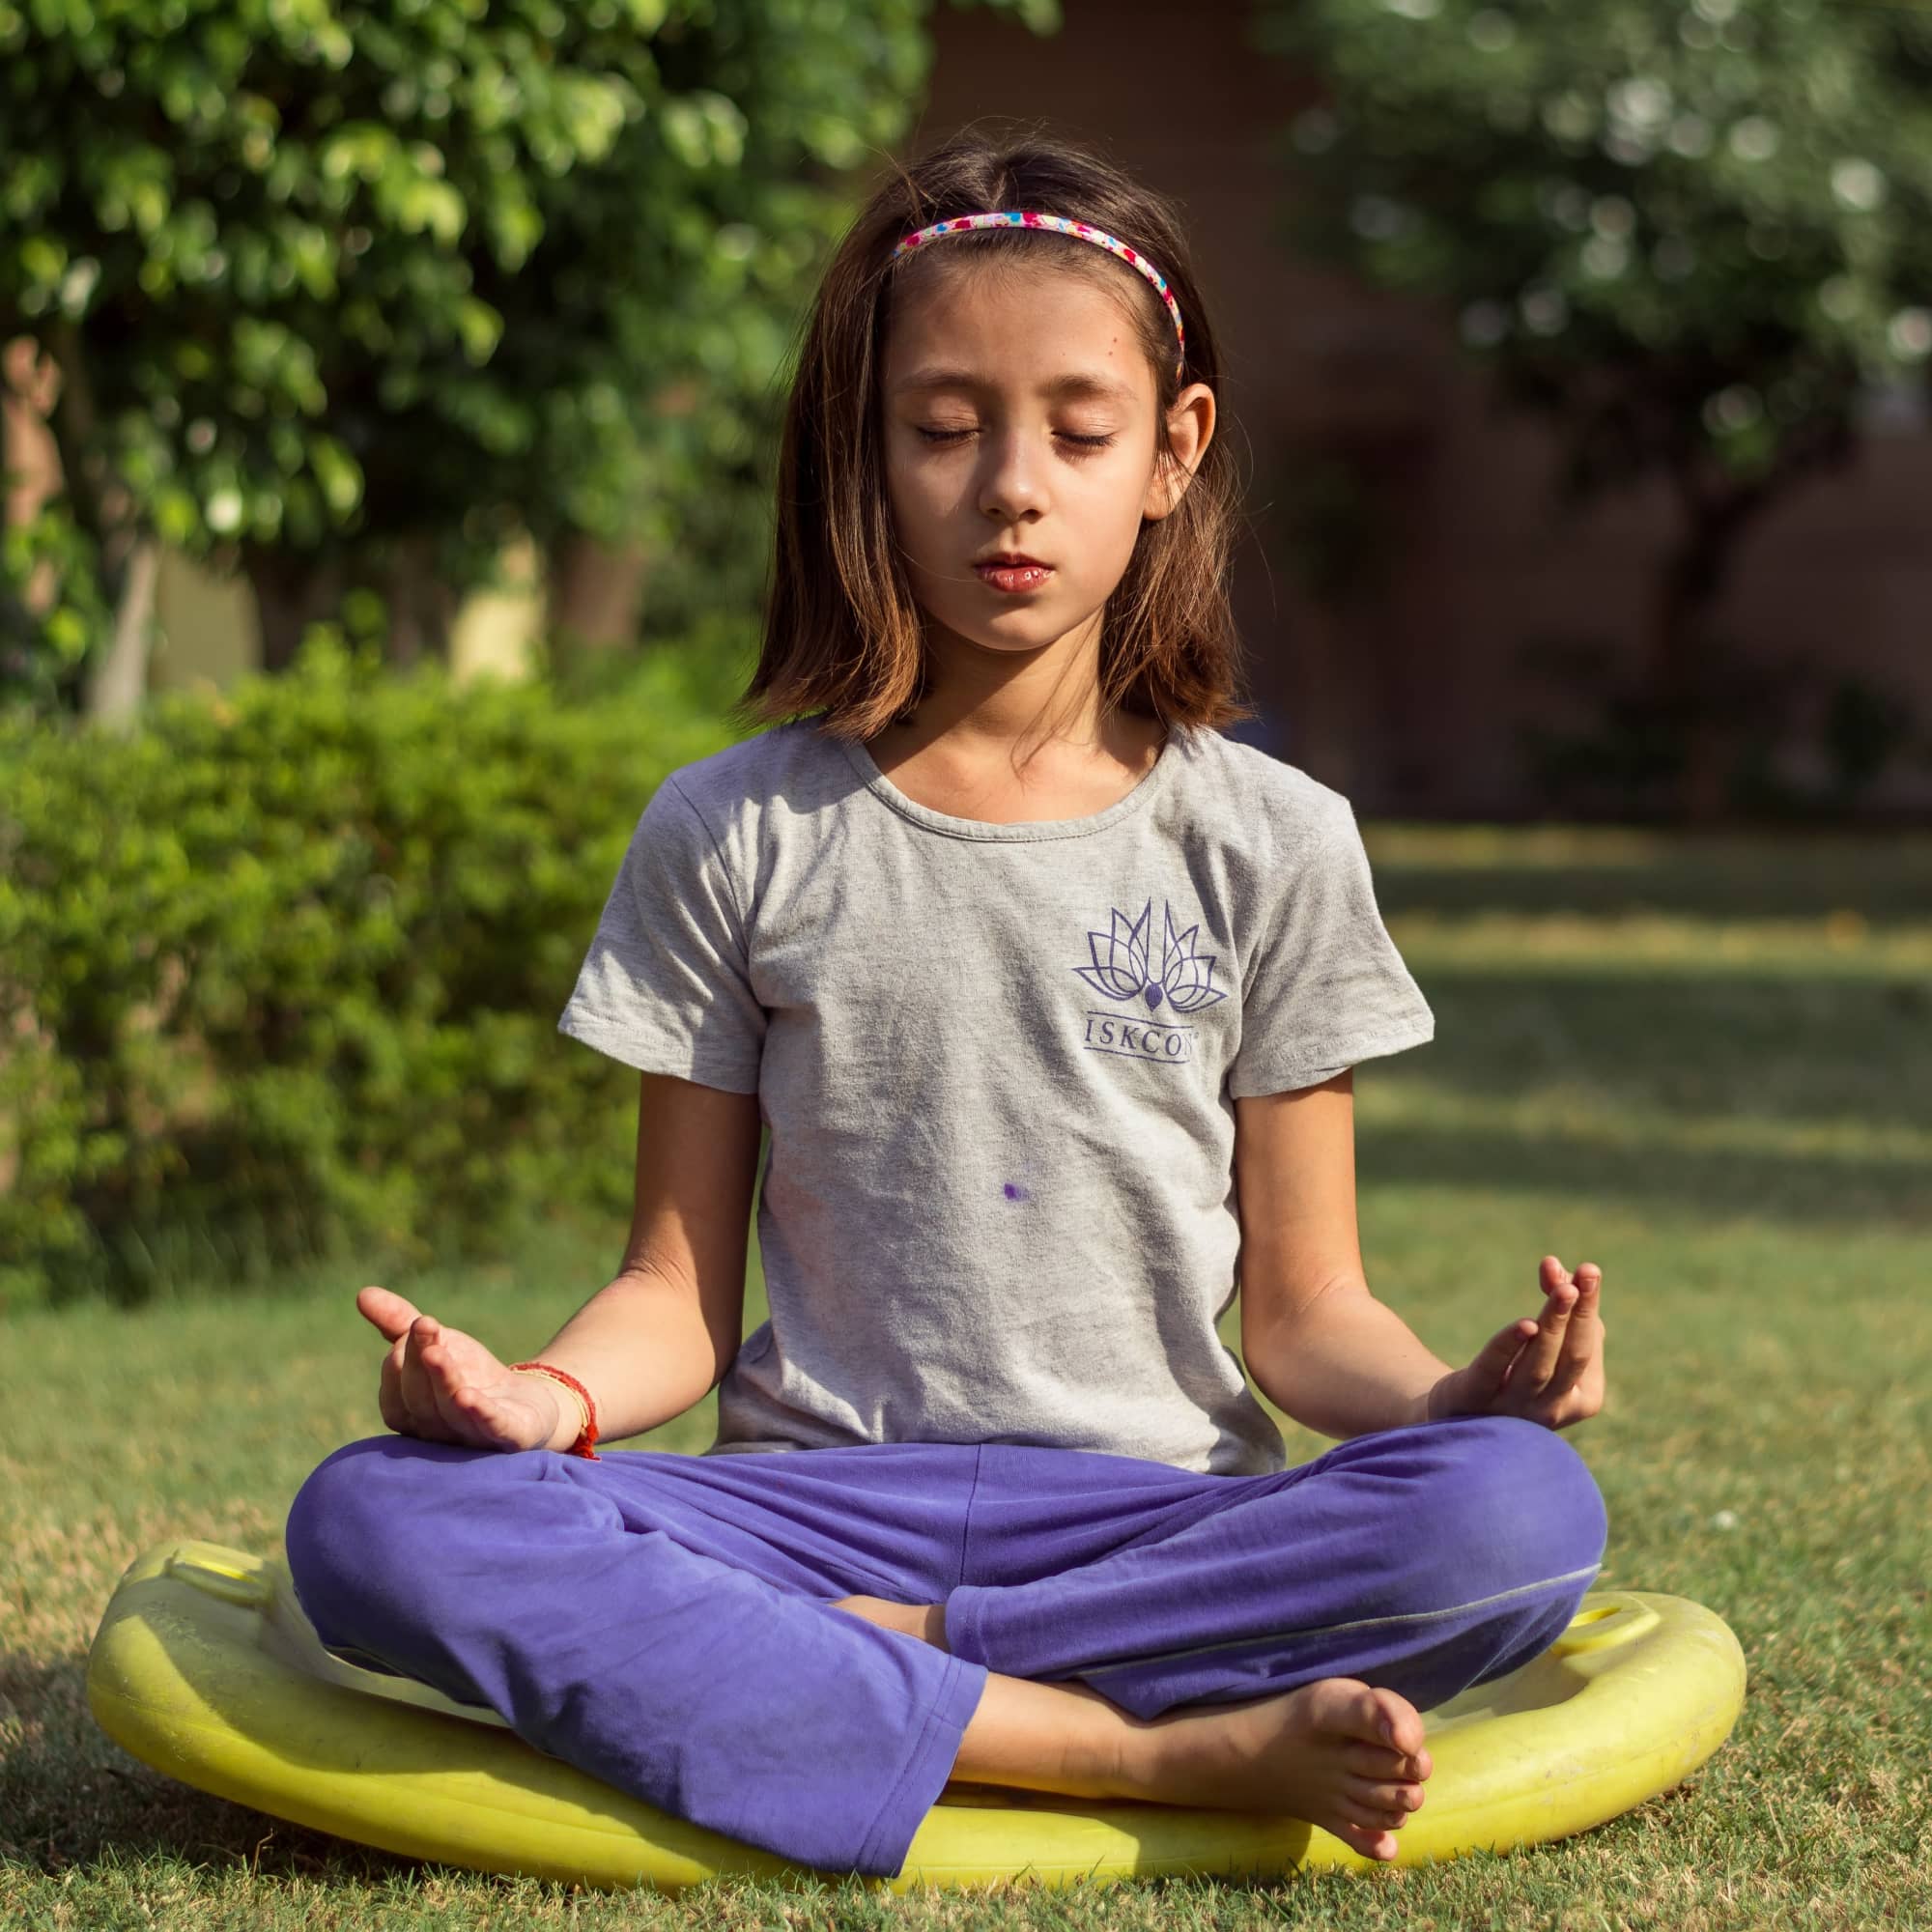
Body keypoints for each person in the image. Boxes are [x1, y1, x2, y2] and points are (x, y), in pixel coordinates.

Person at [283, 123, 1609, 1883]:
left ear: (1175, 451)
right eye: (943, 428)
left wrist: (1455, 1402)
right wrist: (540, 1403)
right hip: (802, 1512)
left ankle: (863, 1672)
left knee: (1517, 1515)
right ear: (867, 451)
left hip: (1151, 1522)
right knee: (376, 1519)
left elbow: (1306, 1316)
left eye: (1079, 431)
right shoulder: (733, 828)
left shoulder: (1274, 840)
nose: (1010, 489)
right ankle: (1144, 1748)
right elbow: (673, 1296)